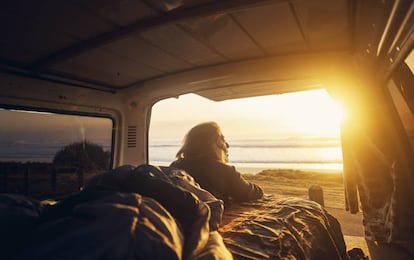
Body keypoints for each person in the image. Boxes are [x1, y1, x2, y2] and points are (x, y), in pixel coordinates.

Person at [170, 121, 264, 205]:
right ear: (214, 142)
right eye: (223, 139)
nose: (227, 145)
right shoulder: (224, 171)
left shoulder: (175, 167)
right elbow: (249, 193)